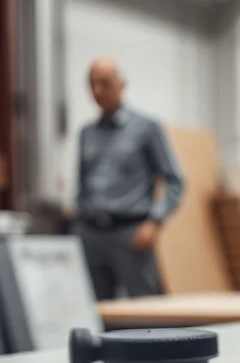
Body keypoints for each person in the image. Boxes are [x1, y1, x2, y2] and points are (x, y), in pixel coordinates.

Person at [74, 57, 186, 300]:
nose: (97, 91)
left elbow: (175, 181)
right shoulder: (86, 134)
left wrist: (154, 222)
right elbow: (82, 185)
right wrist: (80, 222)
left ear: (121, 84)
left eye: (104, 83)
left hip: (132, 235)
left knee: (144, 314)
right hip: (92, 236)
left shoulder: (146, 128)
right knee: (98, 312)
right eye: (92, 84)